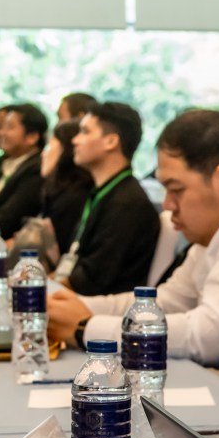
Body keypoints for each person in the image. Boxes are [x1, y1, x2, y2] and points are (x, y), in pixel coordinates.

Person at [48, 110, 219, 398]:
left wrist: (87, 328)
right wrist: (78, 307)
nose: (167, 205)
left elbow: (215, 334)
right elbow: (168, 302)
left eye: (176, 189)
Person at [62, 101, 161, 296]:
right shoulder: (103, 192)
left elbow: (90, 282)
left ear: (111, 141)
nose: (75, 140)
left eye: (85, 131)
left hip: (101, 313)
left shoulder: (127, 204)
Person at [0, 103, 48, 239]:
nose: (1, 133)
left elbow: (10, 218)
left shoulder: (36, 169)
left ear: (32, 137)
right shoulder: (6, 162)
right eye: (2, 127)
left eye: (10, 127)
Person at [39, 120, 92, 251]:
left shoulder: (75, 197)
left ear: (66, 151)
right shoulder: (56, 189)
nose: (43, 153)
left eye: (49, 147)